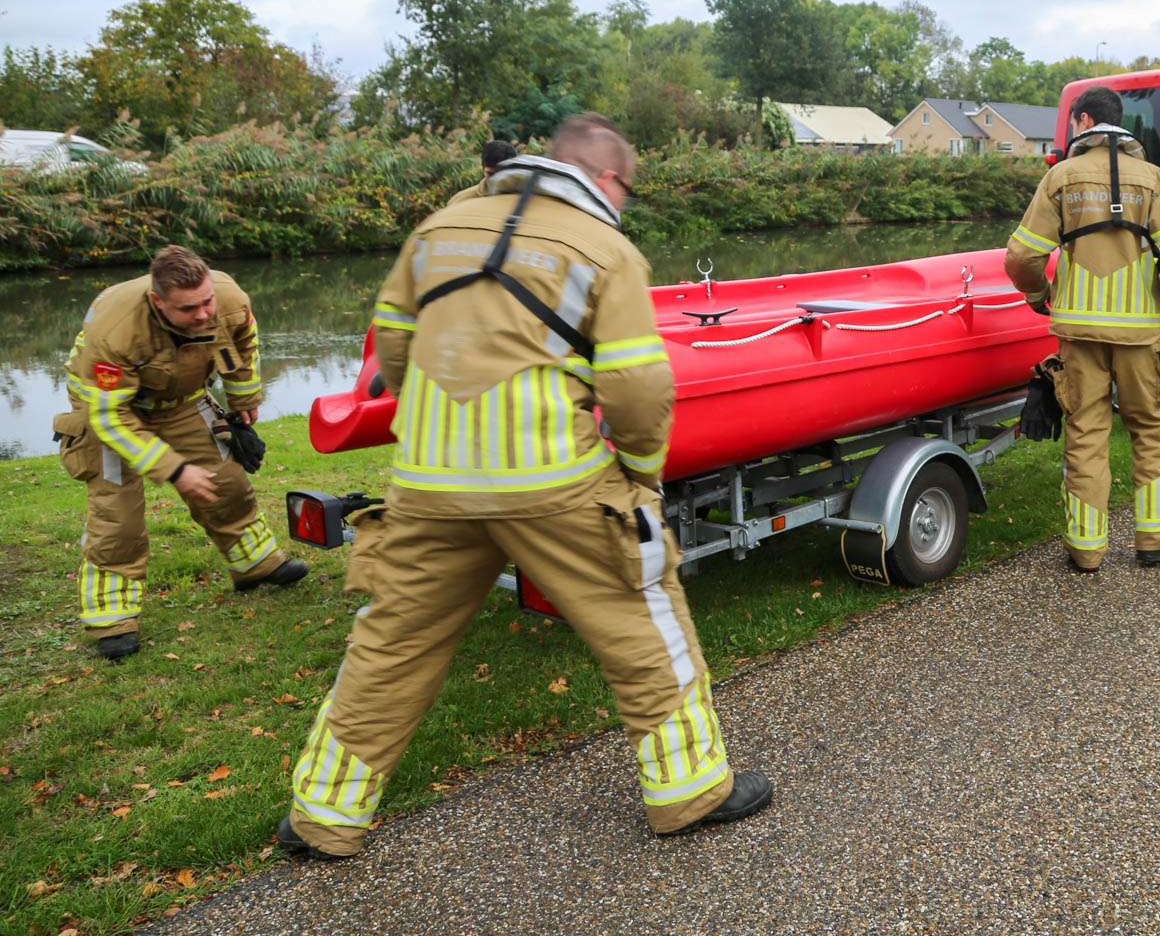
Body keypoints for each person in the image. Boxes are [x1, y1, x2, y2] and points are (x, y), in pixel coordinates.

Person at [277, 113, 771, 860]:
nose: (626, 202)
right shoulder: (605, 248)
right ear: (607, 178)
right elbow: (638, 387)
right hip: (554, 481)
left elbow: (394, 349)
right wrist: (640, 474)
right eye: (628, 188)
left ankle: (323, 817)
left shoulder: (435, 230)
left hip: (429, 483)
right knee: (642, 618)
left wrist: (435, 432)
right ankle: (690, 791)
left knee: (391, 643)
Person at [55, 246, 307, 661]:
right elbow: (111, 416)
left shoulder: (229, 298)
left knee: (226, 482)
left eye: (207, 301)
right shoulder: (113, 330)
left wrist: (244, 397)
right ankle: (111, 619)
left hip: (182, 401)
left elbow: (242, 342)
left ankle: (256, 564)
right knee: (118, 516)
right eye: (189, 308)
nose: (204, 314)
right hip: (108, 408)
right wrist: (174, 469)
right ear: (159, 302)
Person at [1004, 86, 1160, 572]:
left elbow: (1022, 256)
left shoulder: (1061, 177)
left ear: (1083, 121)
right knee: (1150, 428)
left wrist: (1038, 296)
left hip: (1079, 334)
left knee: (1086, 431)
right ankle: (1157, 538)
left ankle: (1086, 550)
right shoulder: (1153, 179)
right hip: (1140, 335)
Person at [444, 139, 519, 208]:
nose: (497, 180)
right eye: (491, 174)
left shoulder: (524, 200)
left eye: (503, 174)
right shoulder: (460, 200)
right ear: (483, 170)